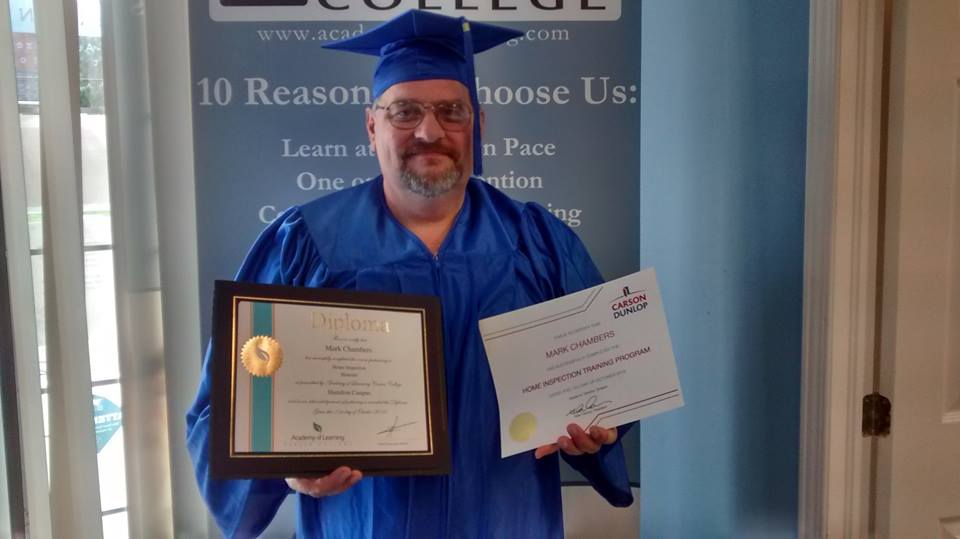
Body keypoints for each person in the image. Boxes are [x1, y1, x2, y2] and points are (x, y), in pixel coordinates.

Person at [186, 10, 632, 538]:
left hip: (508, 521)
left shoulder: (536, 241)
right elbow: (229, 406)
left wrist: (599, 429)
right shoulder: (306, 241)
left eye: (451, 111)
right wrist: (283, 467)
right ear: (372, 126)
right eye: (404, 112)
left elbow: (604, 381)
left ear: (478, 126)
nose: (429, 131)